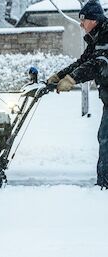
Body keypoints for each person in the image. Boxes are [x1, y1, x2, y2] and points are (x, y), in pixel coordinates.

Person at [47, 0, 108, 189]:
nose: (81, 24)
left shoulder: (105, 37)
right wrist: (60, 75)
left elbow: (99, 64)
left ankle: (104, 184)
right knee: (104, 137)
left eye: (83, 20)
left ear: (95, 20)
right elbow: (83, 62)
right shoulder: (96, 38)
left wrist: (72, 80)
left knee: (105, 138)